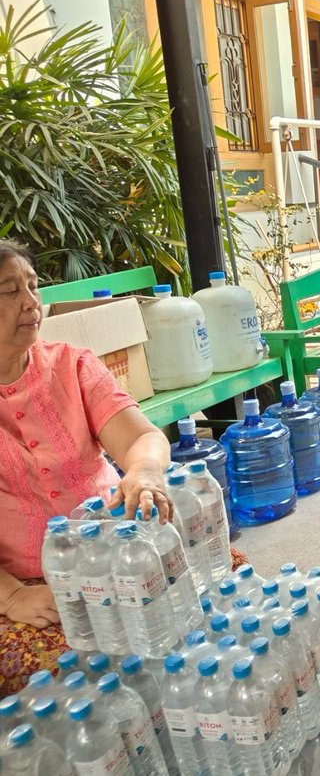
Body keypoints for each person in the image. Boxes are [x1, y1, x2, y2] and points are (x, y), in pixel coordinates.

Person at [0, 239, 175, 695]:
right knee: (71, 675)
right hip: (23, 585)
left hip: (112, 548)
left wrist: (144, 472)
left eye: (33, 286)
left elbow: (141, 437)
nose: (31, 303)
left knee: (214, 585)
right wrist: (13, 596)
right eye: (9, 290)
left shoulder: (70, 365)